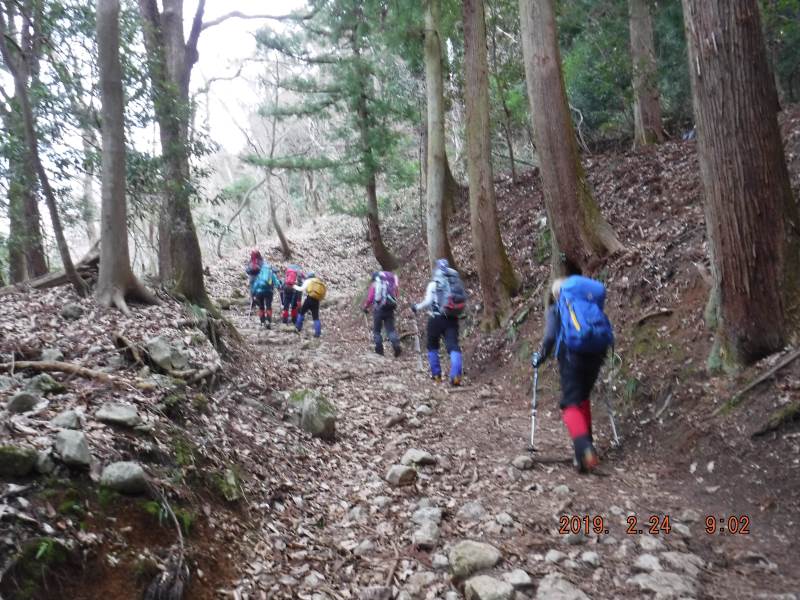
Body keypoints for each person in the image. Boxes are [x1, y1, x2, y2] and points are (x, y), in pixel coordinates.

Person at [532, 277, 609, 473]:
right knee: (583, 399)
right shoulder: (590, 305)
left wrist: (540, 357)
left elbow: (550, 337)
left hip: (572, 356)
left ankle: (585, 449)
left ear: (557, 294)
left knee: (570, 405)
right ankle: (583, 456)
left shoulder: (557, 309)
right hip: (597, 354)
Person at [410, 258, 465, 385]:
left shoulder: (433, 284)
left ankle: (436, 376)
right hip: (452, 318)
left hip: (435, 319)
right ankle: (456, 375)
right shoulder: (454, 281)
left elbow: (428, 302)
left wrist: (416, 307)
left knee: (432, 346)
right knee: (453, 345)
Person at [363, 271, 402, 357]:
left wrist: (365, 307)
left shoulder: (375, 284)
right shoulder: (389, 283)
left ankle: (379, 351)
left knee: (377, 331)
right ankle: (396, 344)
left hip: (378, 310)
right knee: (391, 330)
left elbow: (370, 298)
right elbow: (396, 294)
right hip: (389, 308)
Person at [250, 260, 282, 328]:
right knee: (268, 306)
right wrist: (279, 286)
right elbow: (276, 283)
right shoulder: (271, 273)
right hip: (268, 292)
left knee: (261, 307)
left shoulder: (260, 274)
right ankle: (268, 321)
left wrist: (253, 293)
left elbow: (256, 284)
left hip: (259, 293)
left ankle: (262, 322)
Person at [294, 271, 326, 337]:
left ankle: (298, 327)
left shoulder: (308, 281)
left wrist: (293, 286)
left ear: (308, 276)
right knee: (316, 317)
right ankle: (317, 333)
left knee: (302, 312)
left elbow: (301, 289)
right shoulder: (318, 281)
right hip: (316, 301)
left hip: (309, 299)